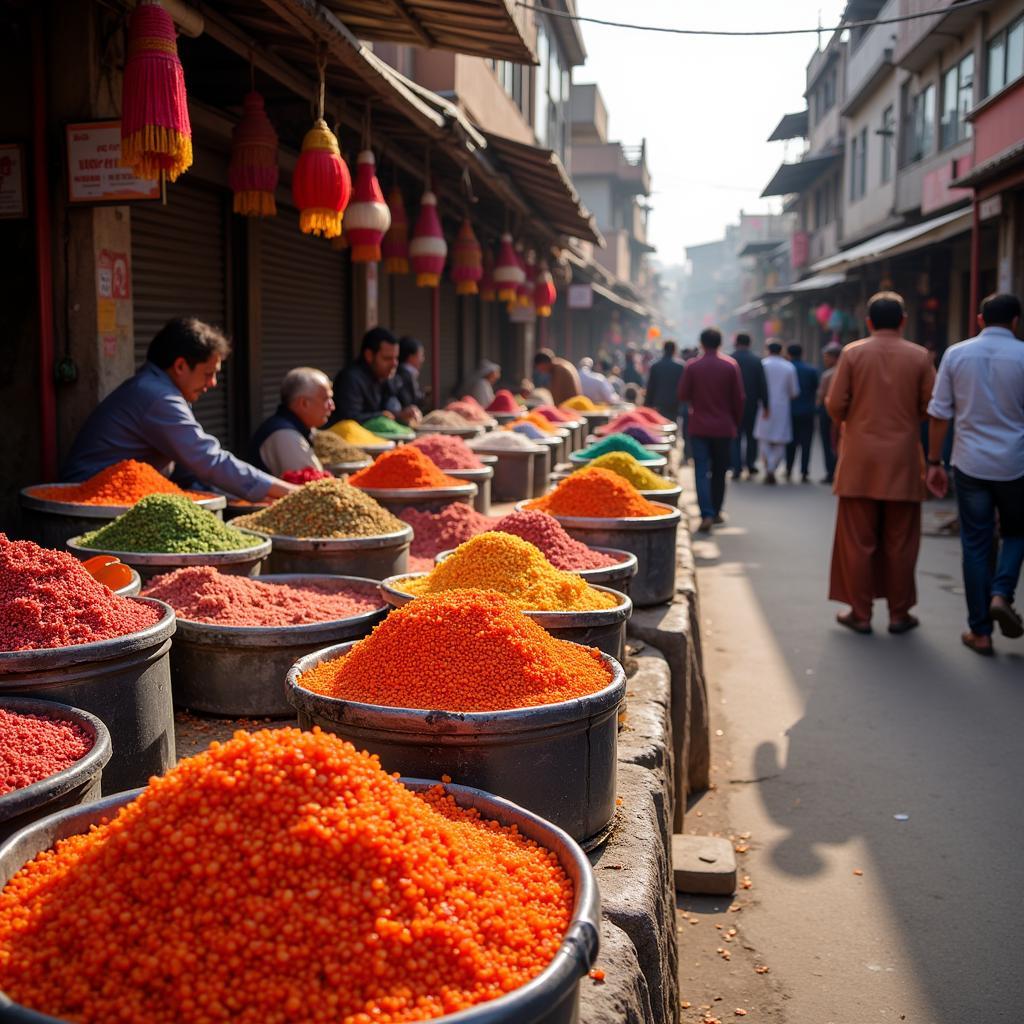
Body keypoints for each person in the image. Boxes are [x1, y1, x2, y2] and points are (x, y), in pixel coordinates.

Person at [63, 317, 294, 501]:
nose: (213, 383)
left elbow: (188, 466)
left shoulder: (155, 389)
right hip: (92, 500)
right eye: (208, 373)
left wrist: (243, 493)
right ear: (181, 366)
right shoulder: (158, 396)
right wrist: (287, 491)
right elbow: (207, 459)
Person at [826, 291, 935, 635]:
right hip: (903, 458)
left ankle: (860, 613)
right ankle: (899, 614)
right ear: (903, 321)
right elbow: (930, 406)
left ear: (869, 322)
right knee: (901, 542)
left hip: (859, 457)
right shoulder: (919, 357)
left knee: (858, 540)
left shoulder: (853, 354)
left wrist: (852, 423)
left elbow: (835, 402)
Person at [925, 292, 1024, 657]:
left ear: (980, 320)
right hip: (1015, 464)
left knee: (976, 543)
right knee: (1016, 533)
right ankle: (1002, 593)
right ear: (1015, 322)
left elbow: (939, 413)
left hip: (970, 464)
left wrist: (934, 462)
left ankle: (980, 632)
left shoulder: (956, 354)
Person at [678, 327, 744, 533]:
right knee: (719, 471)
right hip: (724, 427)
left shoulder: (693, 366)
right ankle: (715, 512)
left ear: (702, 343)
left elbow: (682, 394)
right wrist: (735, 422)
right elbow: (739, 399)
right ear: (720, 343)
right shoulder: (730, 366)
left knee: (700, 470)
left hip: (699, 426)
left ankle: (705, 512)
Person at [249, 368, 334, 477]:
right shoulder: (284, 435)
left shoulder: (302, 429)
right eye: (326, 399)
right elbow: (314, 488)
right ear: (304, 403)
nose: (332, 406)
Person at [332, 327, 420, 425]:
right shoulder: (350, 380)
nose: (394, 364)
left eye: (396, 358)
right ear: (369, 355)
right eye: (387, 358)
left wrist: (404, 413)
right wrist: (386, 416)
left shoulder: (386, 377)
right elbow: (349, 420)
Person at [754, 339, 799, 485]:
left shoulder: (762, 364)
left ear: (767, 350)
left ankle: (769, 468)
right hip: (782, 408)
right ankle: (773, 467)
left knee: (764, 438)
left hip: (763, 407)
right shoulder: (788, 367)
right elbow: (794, 392)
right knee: (780, 439)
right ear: (781, 351)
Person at [728, 333, 768, 478]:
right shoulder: (757, 361)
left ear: (736, 342)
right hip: (752, 404)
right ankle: (750, 465)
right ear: (750, 343)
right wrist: (766, 404)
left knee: (735, 437)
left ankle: (736, 467)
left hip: (732, 405)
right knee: (751, 436)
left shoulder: (730, 359)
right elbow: (762, 384)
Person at [784, 343, 820, 483]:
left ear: (788, 353)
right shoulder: (811, 370)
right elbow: (815, 389)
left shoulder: (787, 369)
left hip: (790, 410)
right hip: (807, 411)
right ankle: (804, 471)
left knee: (790, 442)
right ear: (802, 353)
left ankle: (788, 468)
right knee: (806, 443)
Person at [816, 342, 841, 483]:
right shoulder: (850, 371)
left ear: (835, 358)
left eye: (827, 357)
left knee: (828, 444)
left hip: (827, 412)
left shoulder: (828, 375)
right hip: (843, 414)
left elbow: (821, 396)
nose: (825, 360)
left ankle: (831, 472)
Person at [645, 340, 684, 424]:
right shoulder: (680, 367)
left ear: (664, 349)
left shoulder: (655, 366)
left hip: (658, 403)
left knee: (659, 427)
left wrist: (647, 406)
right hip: (674, 404)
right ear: (674, 350)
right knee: (672, 426)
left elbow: (650, 388)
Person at [394, 336, 426, 413]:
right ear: (411, 357)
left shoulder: (398, 371)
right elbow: (412, 401)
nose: (422, 359)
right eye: (421, 355)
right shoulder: (407, 374)